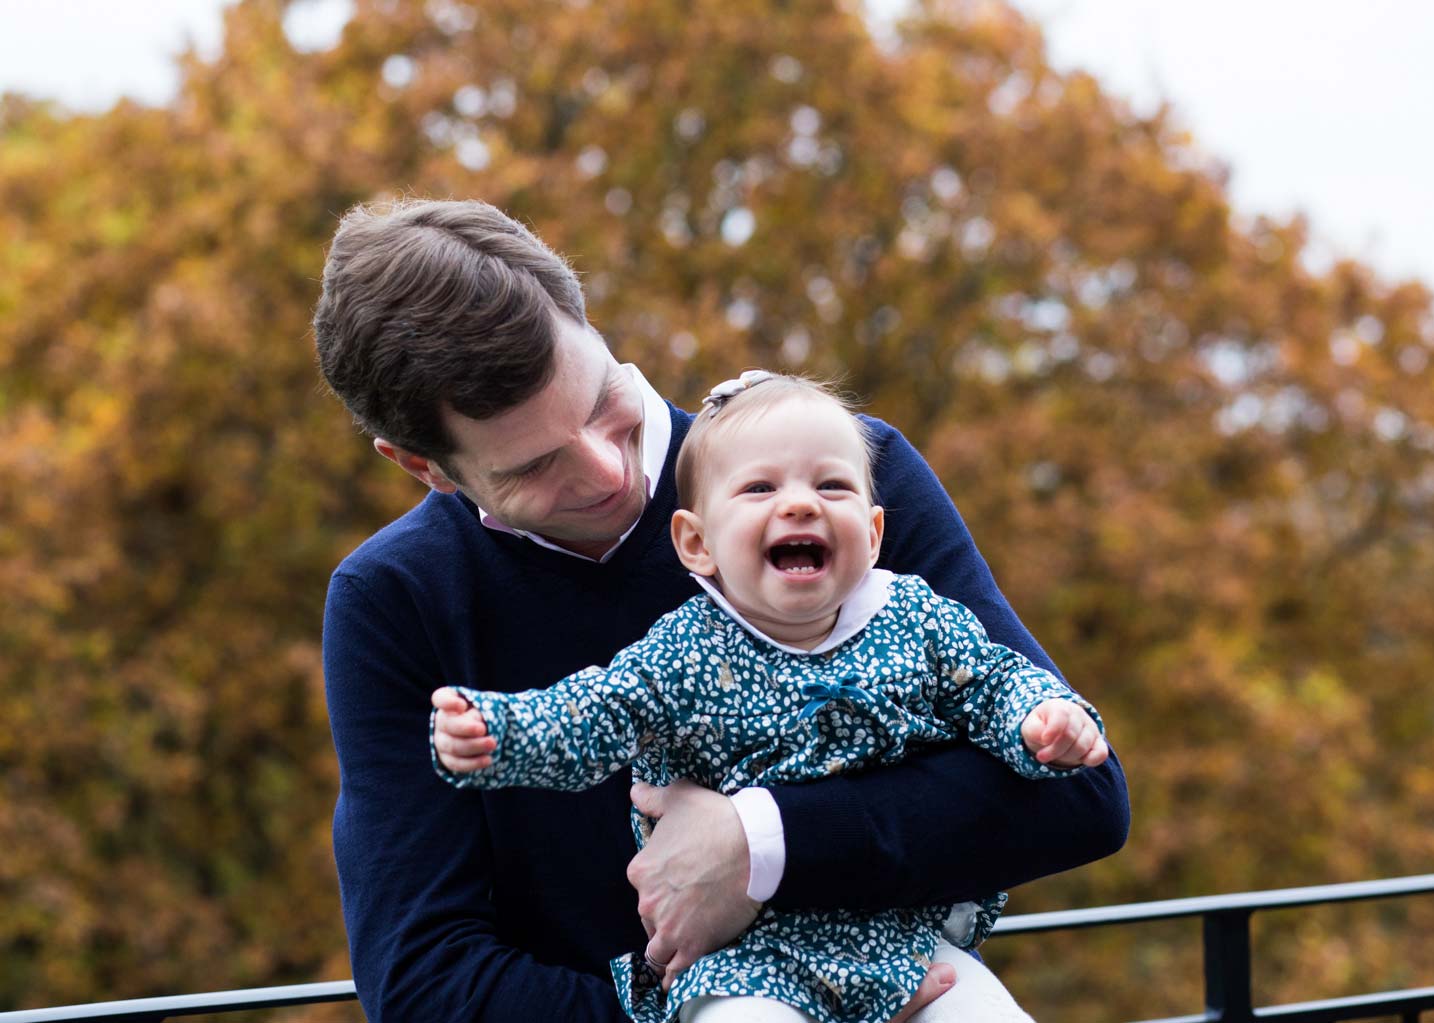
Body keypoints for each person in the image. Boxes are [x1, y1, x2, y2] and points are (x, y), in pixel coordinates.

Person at [313, 198, 1129, 1023]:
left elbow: (1079, 794)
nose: (606, 472)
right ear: (422, 465)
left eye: (601, 401)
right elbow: (423, 983)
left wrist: (759, 843)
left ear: (589, 325)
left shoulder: (840, 478)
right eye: (533, 466)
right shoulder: (396, 599)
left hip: (920, 985)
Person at [429, 372, 1110, 1023]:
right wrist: (499, 732)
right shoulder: (685, 652)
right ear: (697, 543)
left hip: (902, 934)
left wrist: (1042, 718)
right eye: (760, 488)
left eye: (832, 485)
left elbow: (992, 680)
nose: (801, 503)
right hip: (747, 957)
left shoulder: (916, 618)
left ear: (874, 533)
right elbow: (593, 715)